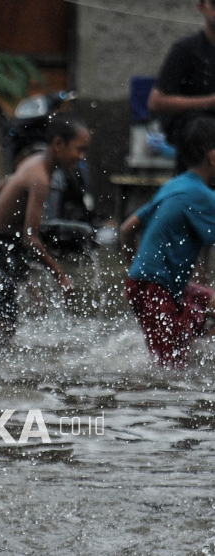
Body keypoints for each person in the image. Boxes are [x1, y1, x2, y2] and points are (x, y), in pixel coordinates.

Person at [0, 114, 89, 344]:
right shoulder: (41, 179)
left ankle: (28, 286)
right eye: (79, 149)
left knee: (78, 236)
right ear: (58, 144)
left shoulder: (36, 160)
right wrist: (60, 276)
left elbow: (11, 178)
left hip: (8, 239)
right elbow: (30, 238)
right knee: (6, 317)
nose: (81, 156)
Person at [120, 116, 215, 368]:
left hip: (146, 284)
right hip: (155, 289)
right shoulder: (203, 195)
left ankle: (191, 340)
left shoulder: (173, 186)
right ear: (213, 157)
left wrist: (135, 273)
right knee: (168, 370)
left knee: (208, 303)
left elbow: (126, 229)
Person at [148, 0, 215, 173]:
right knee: (199, 127)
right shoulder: (186, 50)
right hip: (195, 152)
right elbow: (156, 101)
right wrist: (209, 101)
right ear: (201, 7)